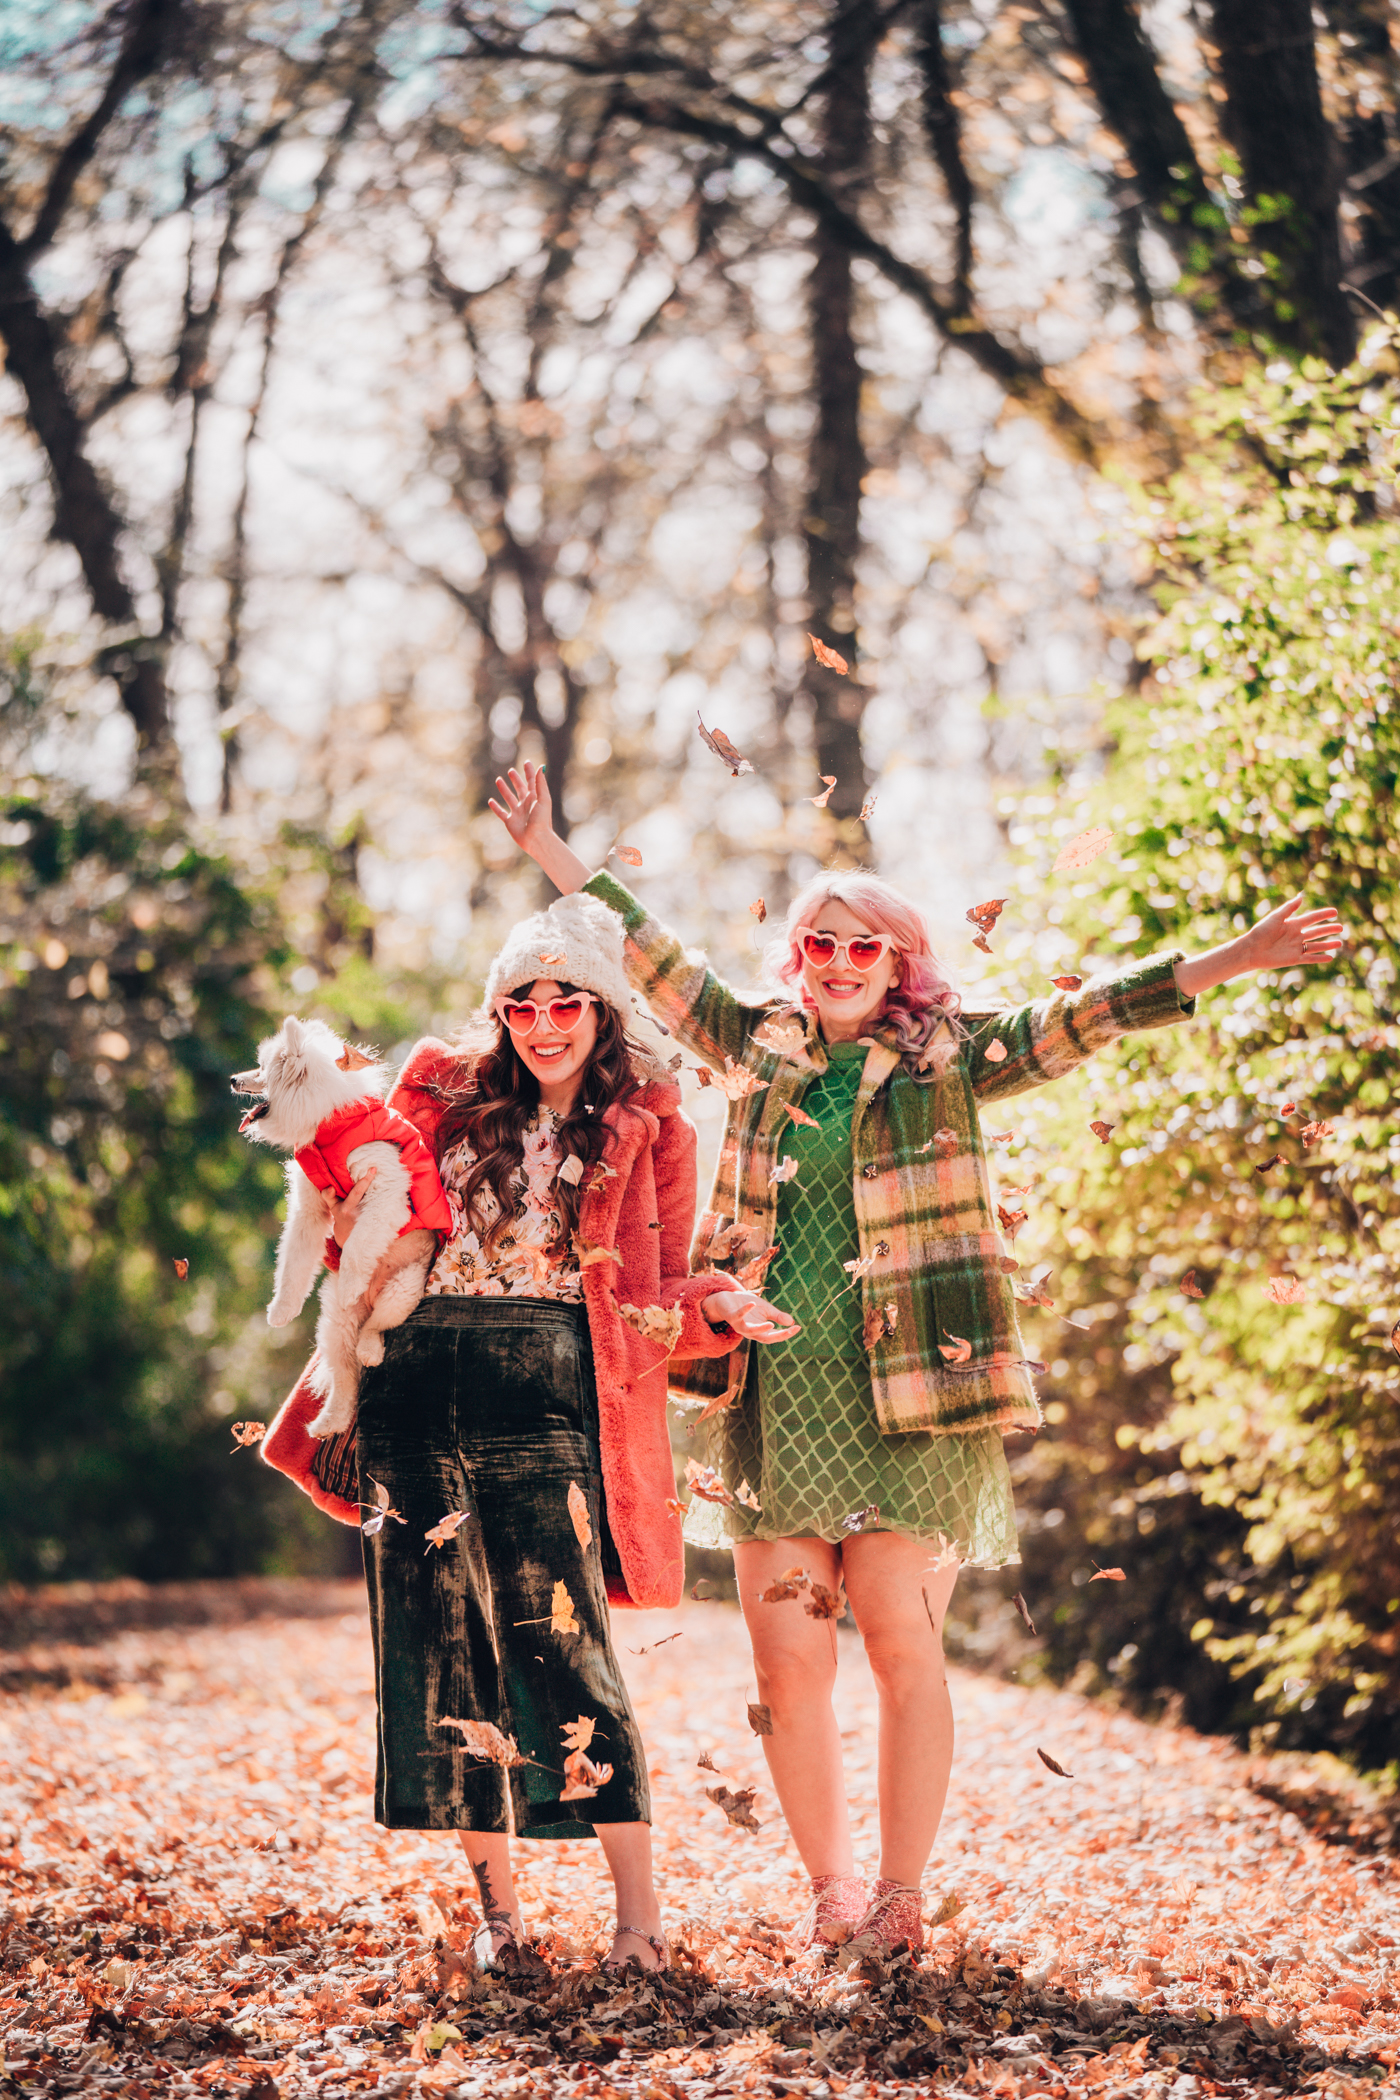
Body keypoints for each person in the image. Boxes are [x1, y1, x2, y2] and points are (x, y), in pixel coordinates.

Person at [491, 759, 1344, 1959]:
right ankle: (831, 1889)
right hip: (769, 1399)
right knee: (787, 1667)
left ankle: (899, 1894)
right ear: (798, 960)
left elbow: (1079, 1018)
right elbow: (647, 949)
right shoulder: (753, 1046)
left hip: (915, 1400)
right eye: (820, 945)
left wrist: (1229, 960)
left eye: (863, 948)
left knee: (898, 1642)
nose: (839, 963)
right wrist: (548, 849)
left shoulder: (951, 1059)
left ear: (897, 964)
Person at [261, 892, 790, 1971]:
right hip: (411, 1378)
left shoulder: (650, 1123)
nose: (544, 1023)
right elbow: (348, 1191)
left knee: (562, 1643)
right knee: (434, 1647)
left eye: (566, 1002)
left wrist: (719, 1304)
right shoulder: (431, 1090)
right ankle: (500, 1920)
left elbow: (648, 1289)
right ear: (498, 1009)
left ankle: (637, 1922)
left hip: (543, 1385)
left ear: (601, 1008)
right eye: (522, 1002)